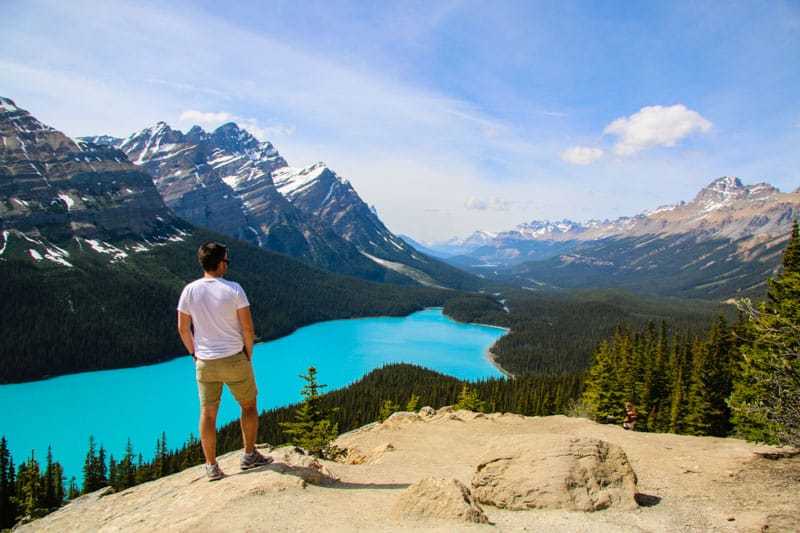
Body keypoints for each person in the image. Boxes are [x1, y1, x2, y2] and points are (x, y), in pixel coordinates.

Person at [177, 241, 272, 481]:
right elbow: (248, 328)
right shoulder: (234, 289)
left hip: (205, 362)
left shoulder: (189, 290)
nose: (227, 265)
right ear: (220, 263)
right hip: (234, 358)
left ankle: (211, 466)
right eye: (226, 261)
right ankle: (249, 455)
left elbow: (183, 328)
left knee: (208, 414)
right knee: (248, 405)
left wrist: (194, 353)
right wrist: (247, 354)